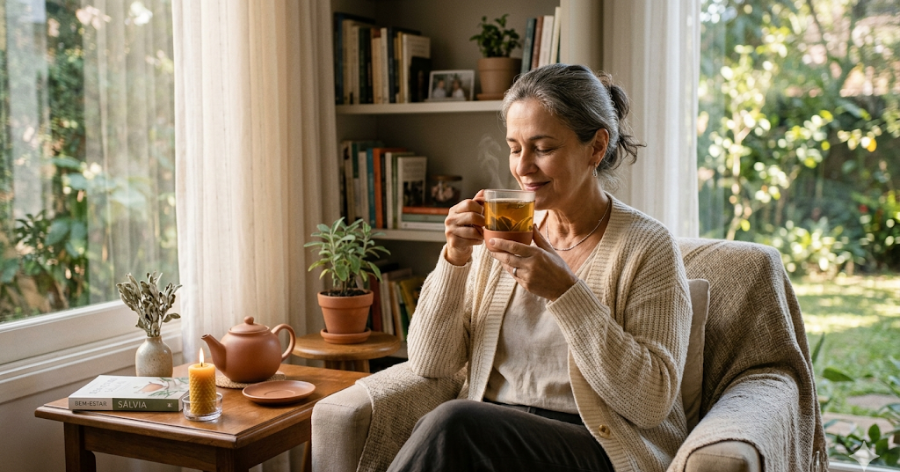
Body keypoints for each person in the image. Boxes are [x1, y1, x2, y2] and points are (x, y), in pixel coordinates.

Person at [388, 63, 693, 472]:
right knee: (455, 425)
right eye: (515, 148)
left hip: (595, 444)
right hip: (492, 432)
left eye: (543, 148)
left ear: (596, 147)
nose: (523, 167)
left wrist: (566, 293)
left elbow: (651, 402)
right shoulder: (507, 228)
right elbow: (430, 363)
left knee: (452, 423)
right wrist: (455, 259)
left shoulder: (646, 246)